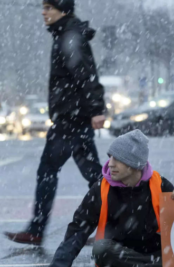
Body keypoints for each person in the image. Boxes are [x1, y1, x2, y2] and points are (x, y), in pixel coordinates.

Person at [30, 130, 174, 267]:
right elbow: (77, 231)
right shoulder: (100, 188)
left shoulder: (159, 184)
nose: (110, 163)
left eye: (117, 159)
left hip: (154, 253)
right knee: (101, 249)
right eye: (110, 157)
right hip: (119, 255)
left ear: (134, 164)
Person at [5, 0, 107, 245]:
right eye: (43, 7)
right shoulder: (65, 34)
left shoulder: (70, 37)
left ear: (63, 11)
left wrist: (96, 109)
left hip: (72, 118)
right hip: (70, 117)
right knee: (92, 175)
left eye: (48, 8)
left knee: (54, 172)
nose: (43, 12)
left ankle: (38, 228)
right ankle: (116, 223)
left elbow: (86, 74)